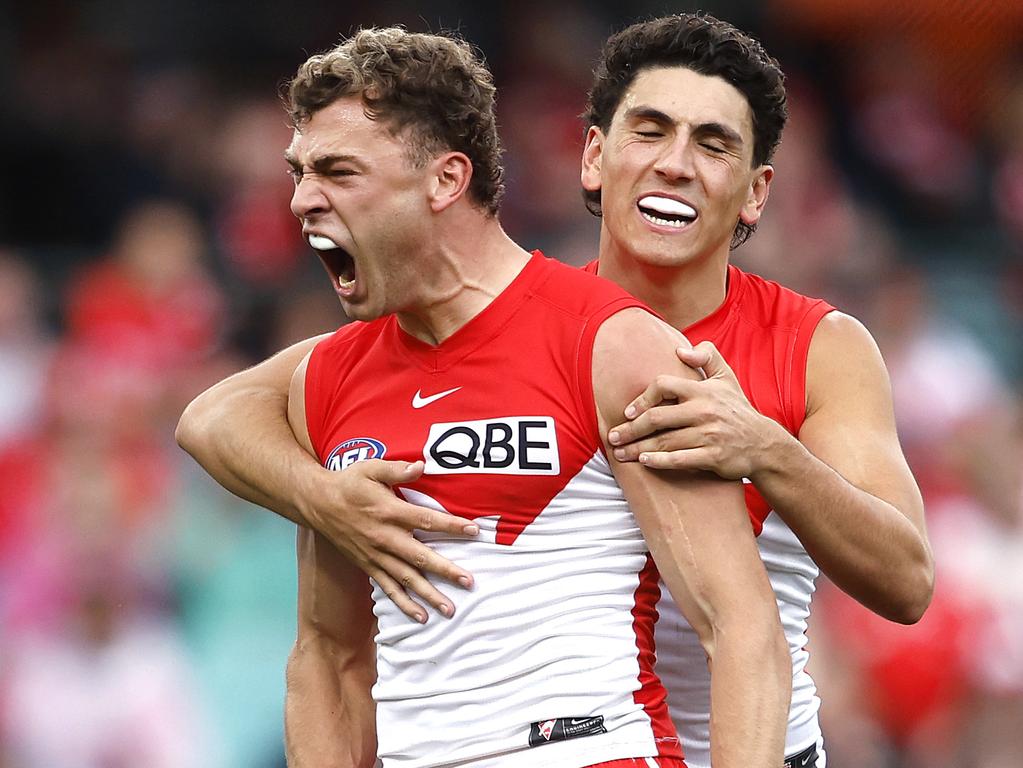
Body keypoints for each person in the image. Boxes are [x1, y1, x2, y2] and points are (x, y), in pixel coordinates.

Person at [177, 12, 934, 768]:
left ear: (754, 193)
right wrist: (320, 494)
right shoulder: (519, 321)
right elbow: (218, 415)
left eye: (712, 144)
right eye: (649, 131)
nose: (674, 164)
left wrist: (769, 451)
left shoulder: (813, 347)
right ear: (594, 158)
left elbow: (902, 584)